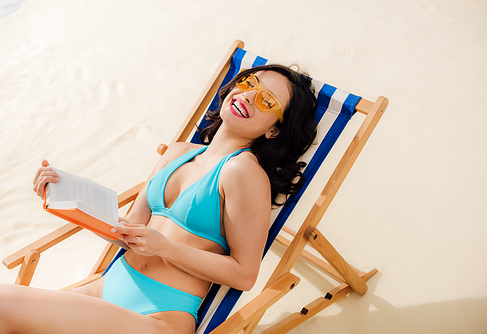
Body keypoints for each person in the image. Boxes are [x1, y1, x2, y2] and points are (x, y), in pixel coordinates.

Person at [0, 64, 317, 334]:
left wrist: (165, 247)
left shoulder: (243, 173)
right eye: (249, 83)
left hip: (158, 316)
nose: (248, 95)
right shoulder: (179, 152)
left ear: (274, 131)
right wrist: (63, 195)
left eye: (266, 100)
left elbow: (244, 274)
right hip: (107, 288)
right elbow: (126, 230)